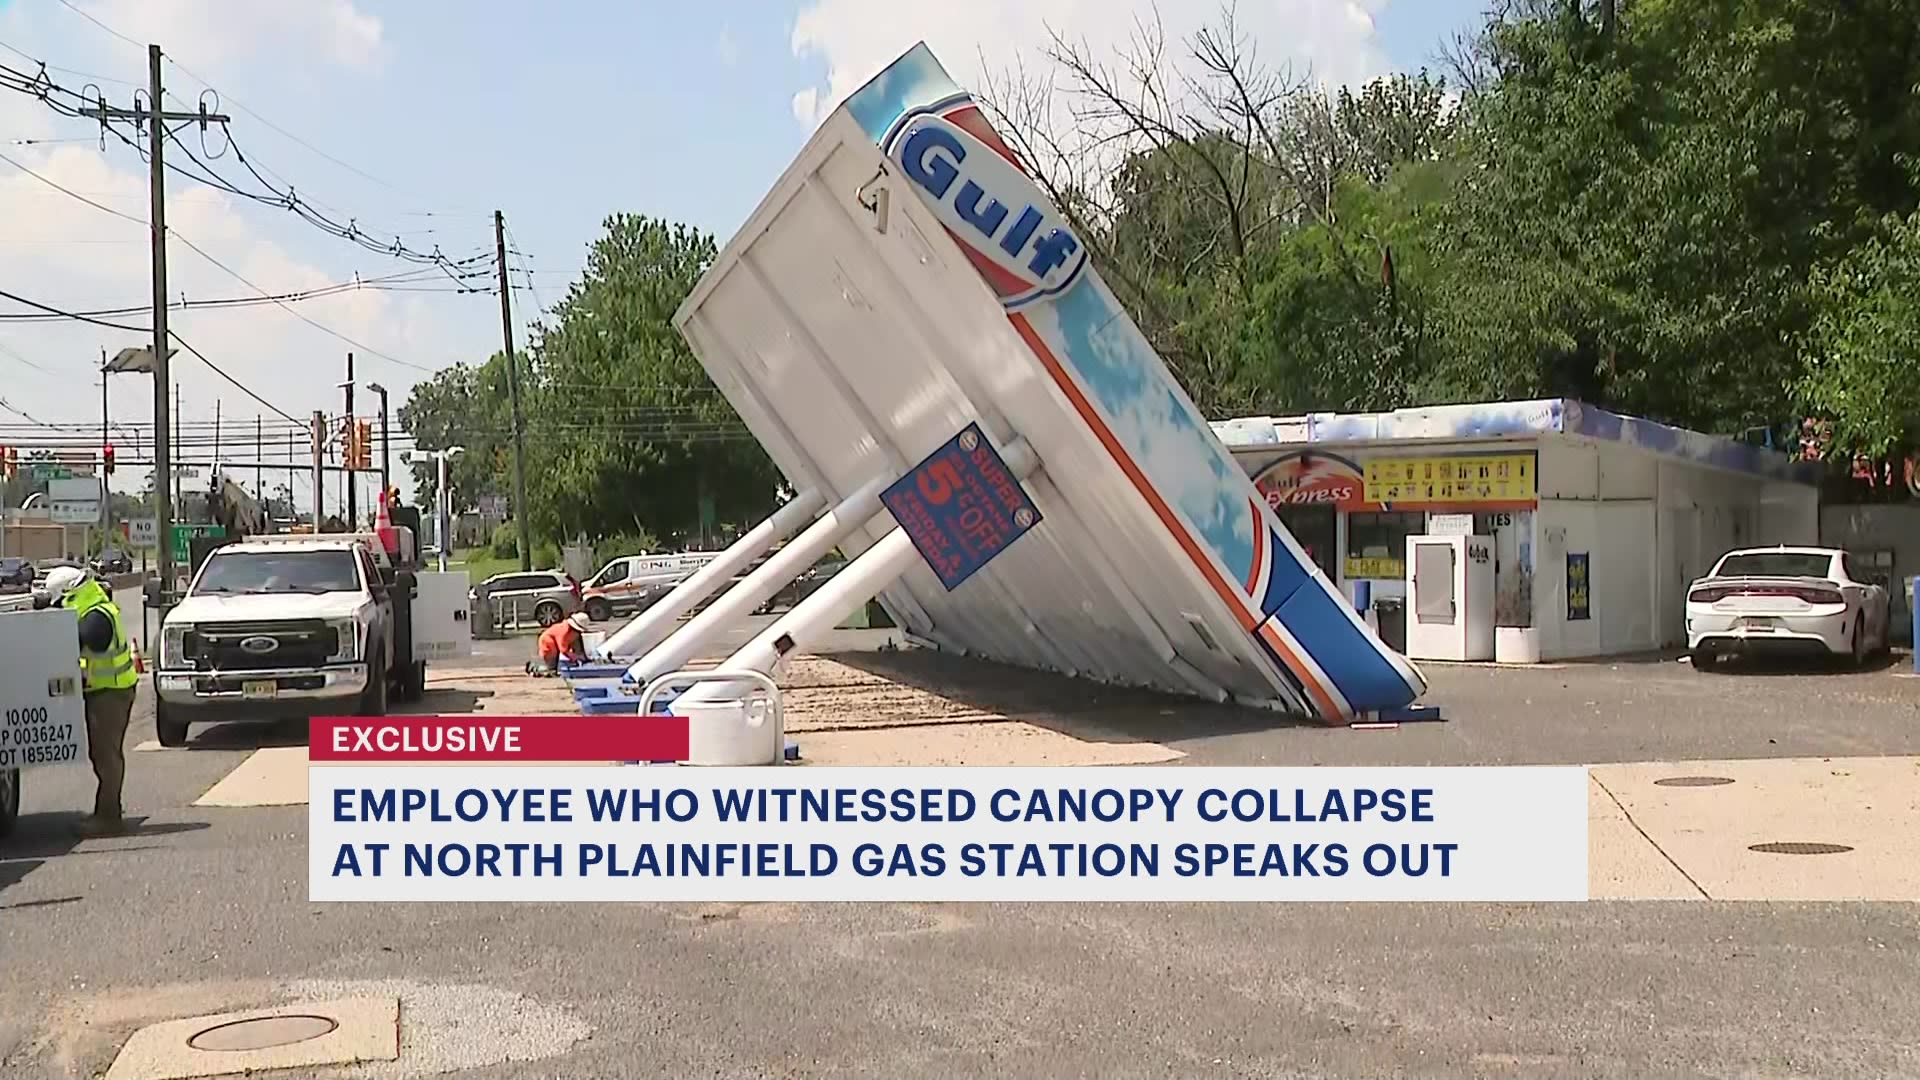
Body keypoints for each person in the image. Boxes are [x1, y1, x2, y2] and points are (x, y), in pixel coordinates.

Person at [37, 565, 138, 836]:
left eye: (59, 600)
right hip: (105, 691)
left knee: (106, 756)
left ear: (69, 593)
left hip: (111, 693)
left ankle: (109, 818)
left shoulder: (96, 615)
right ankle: (106, 812)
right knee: (102, 754)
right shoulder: (93, 607)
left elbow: (90, 639)